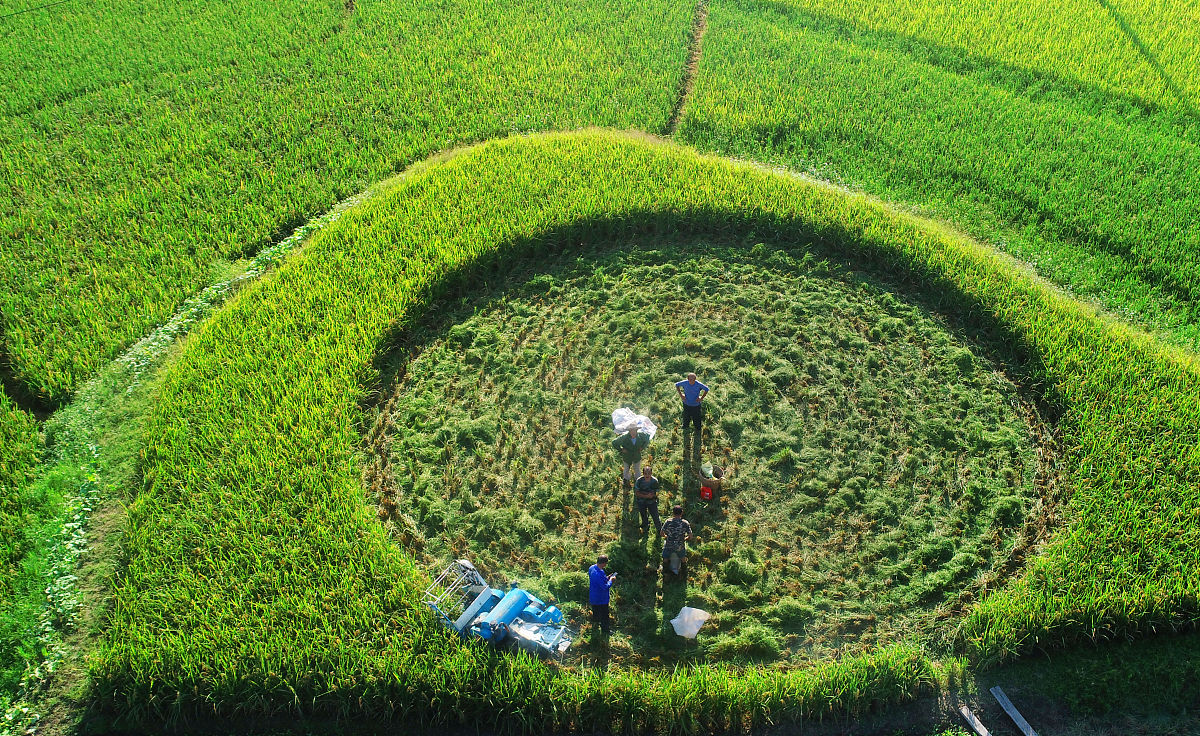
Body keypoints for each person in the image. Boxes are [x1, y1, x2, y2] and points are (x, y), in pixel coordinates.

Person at [588, 554, 617, 635]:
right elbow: (605, 587)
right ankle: (605, 630)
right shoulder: (598, 574)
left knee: (596, 612)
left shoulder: (592, 568)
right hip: (601, 599)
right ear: (603, 563)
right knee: (604, 615)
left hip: (593, 596)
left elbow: (599, 581)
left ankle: (595, 624)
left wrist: (607, 578)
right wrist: (611, 580)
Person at [661, 505, 693, 576]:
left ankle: (665, 572)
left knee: (665, 558)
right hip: (680, 546)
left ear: (673, 513)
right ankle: (684, 572)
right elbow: (691, 536)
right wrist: (685, 539)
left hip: (669, 545)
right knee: (683, 558)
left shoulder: (668, 521)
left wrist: (666, 536)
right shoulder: (685, 523)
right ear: (681, 513)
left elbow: (661, 533)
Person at [634, 465, 662, 535]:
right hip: (641, 501)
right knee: (643, 515)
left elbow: (657, 492)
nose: (647, 475)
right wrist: (646, 496)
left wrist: (653, 495)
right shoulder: (639, 481)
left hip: (652, 502)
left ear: (651, 473)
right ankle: (645, 526)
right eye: (645, 473)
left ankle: (660, 530)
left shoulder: (654, 481)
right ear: (643, 473)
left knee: (655, 516)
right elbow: (637, 493)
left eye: (649, 473)